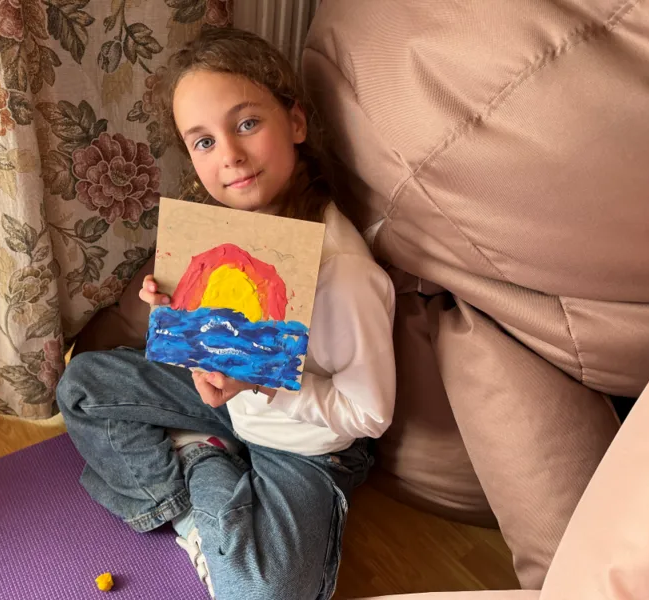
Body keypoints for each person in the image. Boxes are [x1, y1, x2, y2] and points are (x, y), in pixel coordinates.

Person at [56, 27, 396, 600]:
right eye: (204, 142)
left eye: (247, 124)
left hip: (305, 448)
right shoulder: (225, 229)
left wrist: (262, 384)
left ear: (295, 122)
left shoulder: (343, 271)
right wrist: (177, 321)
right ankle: (199, 477)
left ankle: (199, 475)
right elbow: (217, 348)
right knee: (82, 384)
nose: (230, 156)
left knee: (262, 592)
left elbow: (370, 415)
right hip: (224, 406)